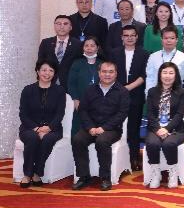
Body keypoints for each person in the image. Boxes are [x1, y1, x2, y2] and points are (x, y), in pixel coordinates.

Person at [71, 61, 130, 191]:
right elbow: (83, 110)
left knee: (102, 141)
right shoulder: (90, 90)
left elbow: (122, 114)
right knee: (77, 139)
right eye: (104, 71)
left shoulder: (122, 91)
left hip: (112, 129)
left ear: (116, 74)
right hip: (91, 127)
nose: (107, 75)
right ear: (99, 73)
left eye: (111, 72)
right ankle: (83, 177)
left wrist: (104, 128)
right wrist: (90, 127)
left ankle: (105, 178)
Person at [18, 60, 66, 188]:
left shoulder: (59, 91)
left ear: (54, 73)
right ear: (38, 71)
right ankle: (27, 174)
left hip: (53, 128)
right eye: (44, 70)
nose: (47, 73)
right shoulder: (27, 90)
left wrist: (49, 128)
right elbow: (23, 114)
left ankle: (36, 173)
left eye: (51, 70)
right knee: (32, 138)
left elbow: (60, 114)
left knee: (48, 139)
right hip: (29, 127)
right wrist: (36, 129)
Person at [109, 25, 150, 171]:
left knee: (133, 128)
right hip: (116, 94)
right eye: (126, 35)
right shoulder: (114, 53)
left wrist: (129, 87)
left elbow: (144, 75)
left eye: (132, 35)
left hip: (136, 94)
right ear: (122, 37)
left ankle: (134, 157)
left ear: (137, 37)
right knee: (116, 126)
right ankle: (117, 158)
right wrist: (120, 89)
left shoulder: (144, 54)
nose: (129, 38)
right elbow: (110, 73)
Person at [145, 62, 184, 189]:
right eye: (164, 72)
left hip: (175, 129)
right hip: (155, 128)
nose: (167, 76)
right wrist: (158, 129)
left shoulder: (181, 92)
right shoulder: (152, 92)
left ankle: (173, 172)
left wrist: (167, 129)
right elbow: (150, 114)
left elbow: (179, 114)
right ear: (160, 75)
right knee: (152, 143)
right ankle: (156, 173)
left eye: (171, 73)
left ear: (176, 75)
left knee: (169, 143)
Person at [67, 36, 103, 135]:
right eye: (86, 45)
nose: (89, 48)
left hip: (98, 103)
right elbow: (71, 83)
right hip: (80, 102)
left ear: (97, 48)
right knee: (78, 133)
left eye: (92, 45)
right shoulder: (77, 63)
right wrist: (75, 99)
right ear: (83, 48)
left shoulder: (102, 64)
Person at [38, 15, 81, 90]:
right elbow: (40, 63)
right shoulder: (46, 43)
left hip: (70, 85)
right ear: (54, 26)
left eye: (65, 24)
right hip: (48, 83)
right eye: (58, 24)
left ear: (71, 27)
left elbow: (80, 66)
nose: (62, 27)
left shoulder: (78, 44)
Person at [145, 26, 184, 95]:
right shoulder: (153, 57)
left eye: (172, 38)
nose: (169, 41)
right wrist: (148, 95)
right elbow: (149, 78)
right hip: (156, 95)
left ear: (177, 40)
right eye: (166, 38)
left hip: (177, 96)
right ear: (161, 39)